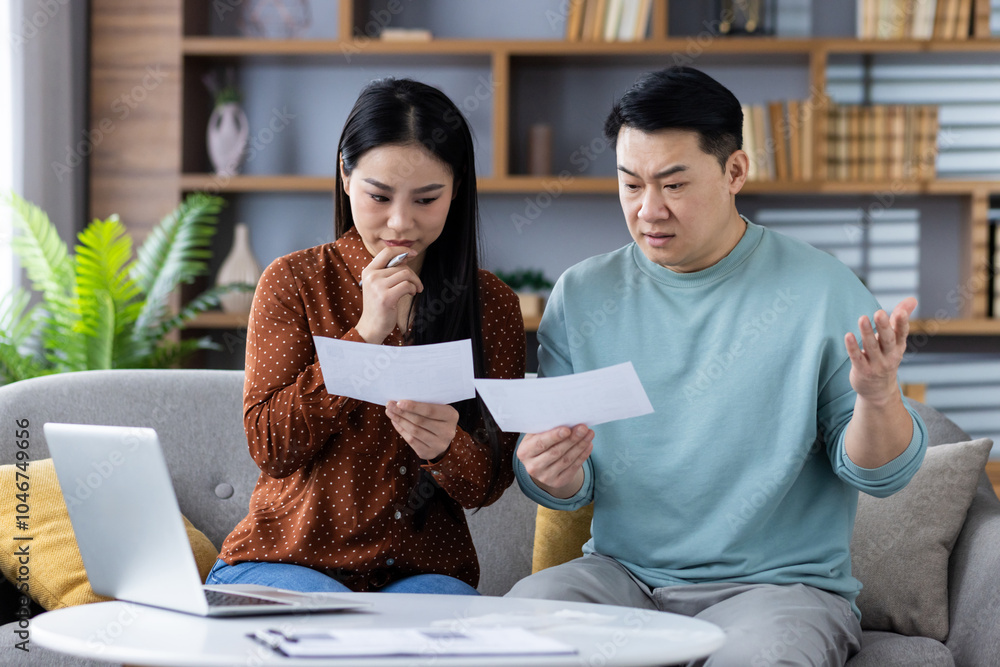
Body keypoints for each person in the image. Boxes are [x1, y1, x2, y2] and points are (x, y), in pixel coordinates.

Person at [506, 66, 928, 665]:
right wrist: (553, 472)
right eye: (630, 185)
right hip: (623, 580)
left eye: (674, 185)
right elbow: (574, 486)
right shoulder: (583, 294)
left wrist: (879, 396)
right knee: (518, 629)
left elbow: (881, 475)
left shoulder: (821, 288)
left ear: (735, 172)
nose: (649, 210)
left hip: (780, 592)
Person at [207, 78, 525, 595]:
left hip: (422, 572)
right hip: (287, 557)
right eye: (379, 196)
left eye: (427, 199)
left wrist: (446, 447)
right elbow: (270, 447)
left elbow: (486, 485)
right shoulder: (294, 282)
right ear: (346, 176)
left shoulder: (492, 306)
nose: (401, 222)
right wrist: (365, 334)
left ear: (457, 188)